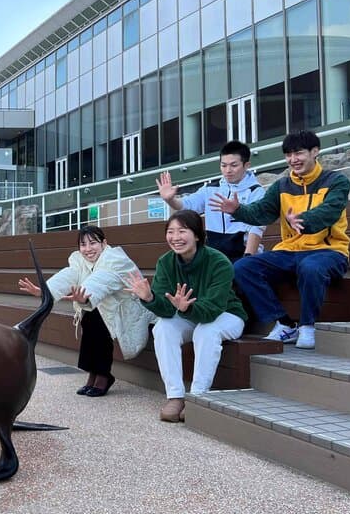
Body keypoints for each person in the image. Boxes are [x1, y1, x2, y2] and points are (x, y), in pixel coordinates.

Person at [210, 130, 350, 350]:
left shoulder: (337, 181)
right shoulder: (282, 185)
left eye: (299, 153)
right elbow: (262, 212)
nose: (293, 159)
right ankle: (285, 323)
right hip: (290, 251)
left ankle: (307, 326)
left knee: (310, 267)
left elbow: (330, 211)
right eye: (288, 155)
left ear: (315, 152)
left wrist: (302, 220)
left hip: (329, 251)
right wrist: (238, 210)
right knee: (244, 267)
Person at [126, 210, 247, 423]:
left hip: (227, 315)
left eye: (182, 231)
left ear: (197, 235)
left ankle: (198, 396)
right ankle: (175, 396)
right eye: (170, 231)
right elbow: (165, 309)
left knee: (206, 330)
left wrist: (187, 309)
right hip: (189, 315)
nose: (175, 237)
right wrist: (149, 297)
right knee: (163, 328)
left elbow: (213, 309)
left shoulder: (219, 261)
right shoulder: (166, 262)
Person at [18, 226, 154, 397]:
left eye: (93, 243)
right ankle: (93, 373)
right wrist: (45, 291)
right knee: (90, 317)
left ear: (104, 243)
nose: (88, 249)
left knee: (97, 319)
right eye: (83, 244)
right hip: (101, 306)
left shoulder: (116, 259)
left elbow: (103, 280)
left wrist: (85, 295)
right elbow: (69, 275)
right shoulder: (80, 261)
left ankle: (103, 375)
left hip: (127, 310)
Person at [156, 140, 265, 262]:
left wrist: (247, 259)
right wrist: (170, 199)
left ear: (246, 165)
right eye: (223, 165)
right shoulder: (210, 189)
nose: (228, 170)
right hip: (214, 257)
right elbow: (186, 205)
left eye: (234, 165)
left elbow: (256, 228)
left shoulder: (256, 191)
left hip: (242, 255)